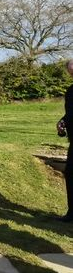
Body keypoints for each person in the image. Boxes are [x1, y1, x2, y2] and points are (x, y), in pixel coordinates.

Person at [57, 59, 73, 222]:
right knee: (70, 174)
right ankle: (72, 213)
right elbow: (70, 114)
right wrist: (62, 123)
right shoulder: (70, 92)